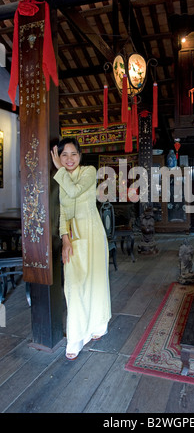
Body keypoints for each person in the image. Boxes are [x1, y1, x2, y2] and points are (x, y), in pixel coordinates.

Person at [51, 138, 111, 360]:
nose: (68, 159)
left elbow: (75, 191)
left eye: (73, 154)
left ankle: (99, 323)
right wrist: (65, 239)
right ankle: (75, 337)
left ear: (80, 155)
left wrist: (59, 170)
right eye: (63, 155)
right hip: (74, 235)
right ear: (58, 156)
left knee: (96, 280)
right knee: (74, 285)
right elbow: (63, 212)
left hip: (93, 232)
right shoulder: (60, 178)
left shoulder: (88, 171)